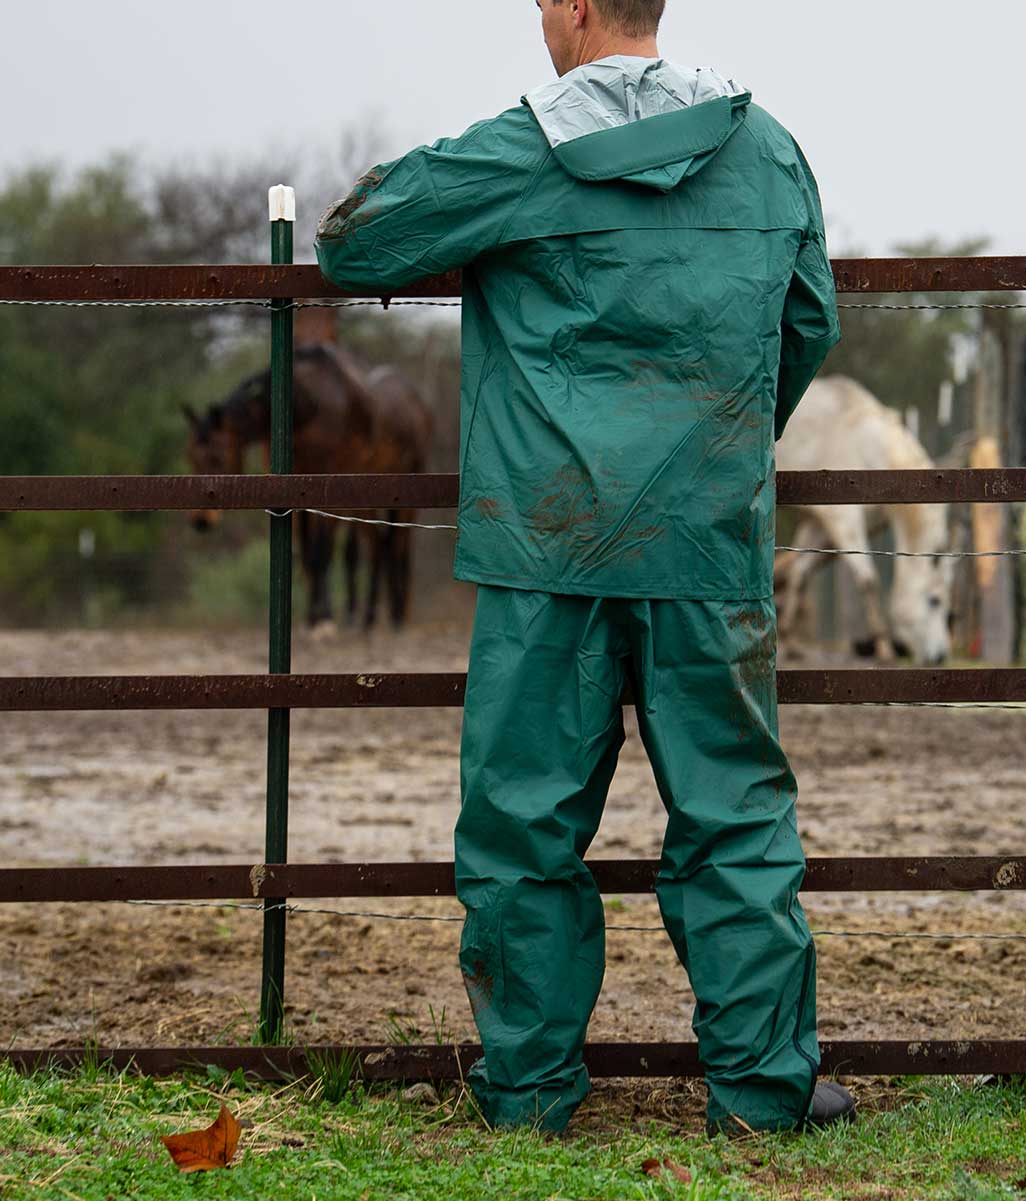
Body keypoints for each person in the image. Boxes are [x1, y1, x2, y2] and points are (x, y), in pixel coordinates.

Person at [315, 0, 850, 1137]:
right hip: (709, 543)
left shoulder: (522, 148)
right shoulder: (768, 152)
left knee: (523, 823)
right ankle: (760, 1090)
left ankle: (530, 1093)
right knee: (735, 814)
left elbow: (355, 240)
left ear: (565, 6)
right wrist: (717, 452)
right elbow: (807, 325)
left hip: (545, 548)